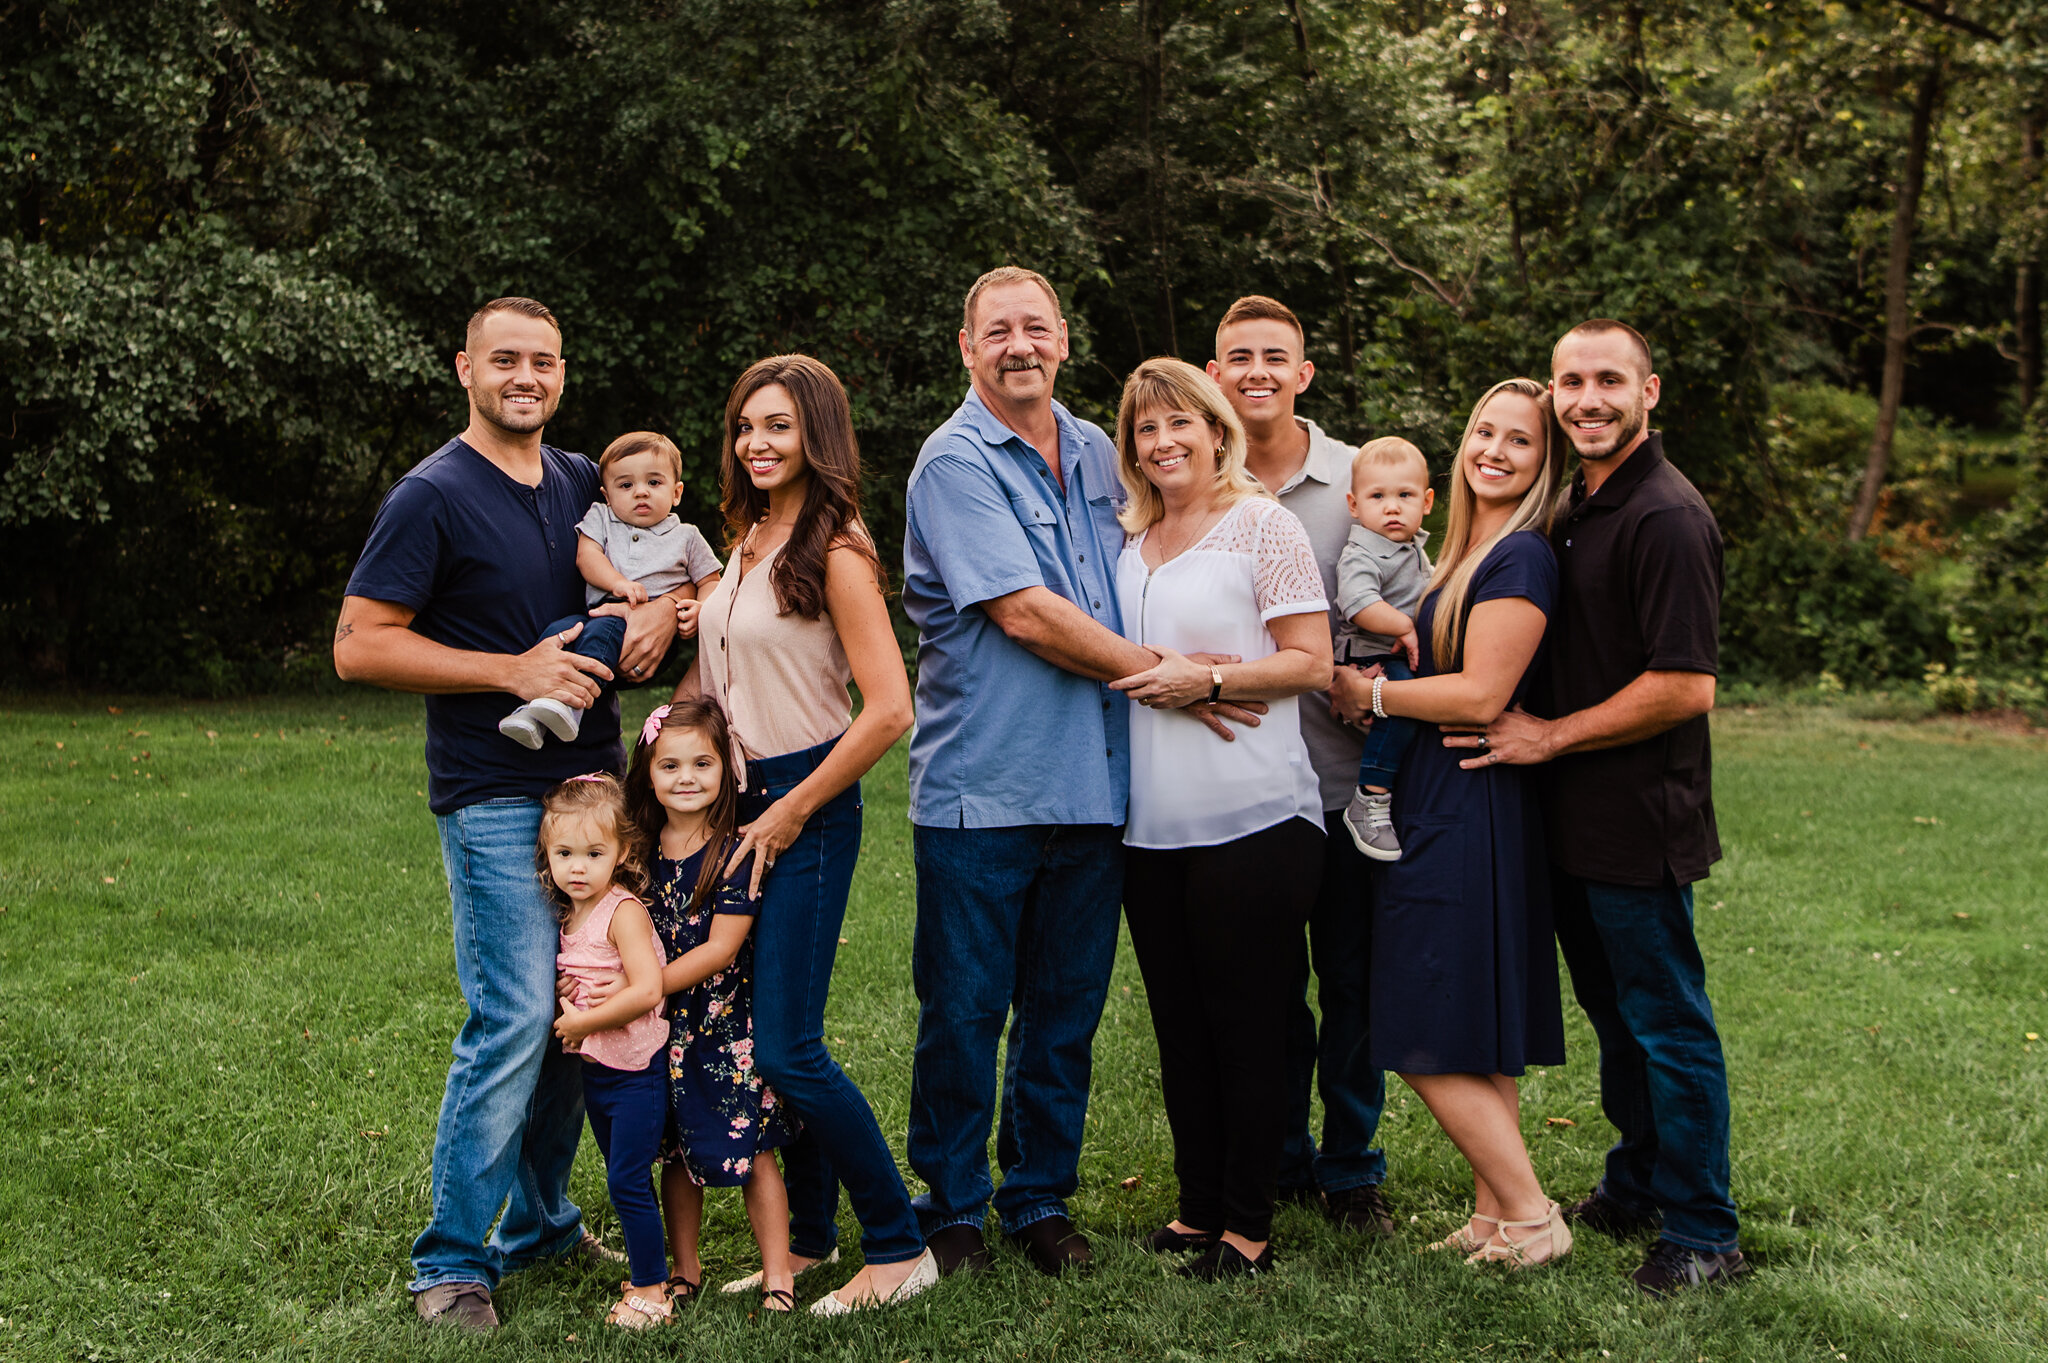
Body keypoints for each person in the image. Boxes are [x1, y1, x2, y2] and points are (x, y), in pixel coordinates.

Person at [902, 267, 1261, 1278]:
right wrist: (1175, 678)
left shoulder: (1103, 451)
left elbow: (1158, 568)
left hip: (1099, 788)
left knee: (1063, 1015)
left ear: (1061, 339)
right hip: (985, 788)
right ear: (965, 348)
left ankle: (1037, 1199)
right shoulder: (953, 461)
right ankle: (951, 1206)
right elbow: (1022, 610)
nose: (1018, 344)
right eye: (996, 330)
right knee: (966, 1013)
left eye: (1035, 327)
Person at [334, 297, 679, 1331]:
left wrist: (659, 609)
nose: (524, 376)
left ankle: (535, 1221)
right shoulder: (430, 495)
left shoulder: (582, 480)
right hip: (493, 792)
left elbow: (656, 571)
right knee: (516, 1016)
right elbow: (358, 644)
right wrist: (507, 670)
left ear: (561, 373)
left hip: (596, 794)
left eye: (541, 361)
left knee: (585, 1000)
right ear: (464, 369)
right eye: (503, 360)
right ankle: (450, 1258)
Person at [1454, 320, 1747, 1296]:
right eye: (1570, 381)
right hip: (1570, 822)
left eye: (1607, 380)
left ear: (1647, 391)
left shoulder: (1663, 514)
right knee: (1616, 1022)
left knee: (1664, 1022)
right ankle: (1636, 1184)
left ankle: (1703, 1228)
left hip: (1636, 817)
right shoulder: (1577, 504)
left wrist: (1551, 734)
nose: (1586, 397)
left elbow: (1683, 685)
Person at [679, 353, 936, 1314]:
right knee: (758, 1034)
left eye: (779, 426)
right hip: (734, 804)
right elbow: (717, 677)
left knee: (788, 1049)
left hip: (807, 805)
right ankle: (818, 1238)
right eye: (747, 425)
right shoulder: (742, 541)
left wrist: (790, 810)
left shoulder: (837, 549)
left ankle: (899, 1245)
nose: (757, 442)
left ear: (816, 435)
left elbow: (887, 708)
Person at [1108, 358, 1334, 1279]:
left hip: (1257, 818)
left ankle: (1249, 1223)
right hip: (1150, 829)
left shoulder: (1261, 524)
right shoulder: (1129, 538)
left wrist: (1208, 677)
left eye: (1178, 425)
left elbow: (1312, 661)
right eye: (1145, 431)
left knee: (1247, 1025)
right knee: (1180, 1026)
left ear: (1214, 430)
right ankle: (1198, 1206)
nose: (1162, 443)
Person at [1336, 377, 1571, 1268]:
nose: (1496, 451)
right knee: (1474, 1016)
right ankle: (1494, 1217)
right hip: (1457, 787)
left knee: (1423, 1017)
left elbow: (1480, 691)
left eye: (1521, 440)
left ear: (1545, 461)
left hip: (1462, 802)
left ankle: (1532, 1213)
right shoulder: (1459, 554)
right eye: (1484, 431)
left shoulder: (1519, 558)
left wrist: (1374, 692)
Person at [1206, 295, 1393, 1234]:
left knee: (1354, 983)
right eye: (1238, 357)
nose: (1257, 373)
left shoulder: (1364, 478)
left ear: (1304, 373)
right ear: (1213, 374)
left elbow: (1416, 598)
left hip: (1351, 783)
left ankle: (1353, 1165)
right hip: (1250, 794)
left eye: (1275, 357)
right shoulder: (1199, 483)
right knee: (1269, 989)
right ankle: (1278, 1155)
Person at [623, 699, 800, 1313]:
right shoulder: (637, 854)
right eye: (670, 764)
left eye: (703, 762)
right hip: (661, 1031)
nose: (687, 777)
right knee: (674, 1152)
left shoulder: (734, 850)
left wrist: (645, 990)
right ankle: (686, 1269)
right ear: (648, 772)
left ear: (726, 768)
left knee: (752, 1150)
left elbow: (723, 949)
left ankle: (779, 1276)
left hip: (725, 1027)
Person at [540, 774, 674, 1330]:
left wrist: (581, 1023)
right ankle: (652, 1271)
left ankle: (652, 1289)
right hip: (599, 1072)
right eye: (564, 853)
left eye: (594, 854)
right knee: (625, 1177)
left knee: (626, 1180)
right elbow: (583, 979)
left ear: (620, 853)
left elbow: (647, 989)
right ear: (547, 856)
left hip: (637, 1071)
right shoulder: (569, 915)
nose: (578, 867)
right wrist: (564, 994)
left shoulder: (623, 912)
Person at [500, 431, 721, 748]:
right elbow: (586, 557)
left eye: (654, 483)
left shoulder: (686, 537)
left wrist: (700, 609)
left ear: (677, 492)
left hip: (642, 632)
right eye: (626, 485)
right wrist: (619, 583)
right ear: (607, 494)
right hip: (598, 610)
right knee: (561, 630)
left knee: (602, 631)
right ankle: (532, 711)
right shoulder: (601, 517)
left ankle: (571, 706)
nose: (640, 493)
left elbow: (710, 580)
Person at [1333, 436, 1436, 861]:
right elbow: (1357, 604)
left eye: (1405, 495)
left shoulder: (1411, 550)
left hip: (1393, 654)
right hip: (1369, 656)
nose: (1392, 507)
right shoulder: (1361, 552)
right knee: (1401, 712)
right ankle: (1369, 797)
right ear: (1354, 505)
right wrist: (1405, 626)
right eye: (1378, 496)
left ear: (1427, 501)